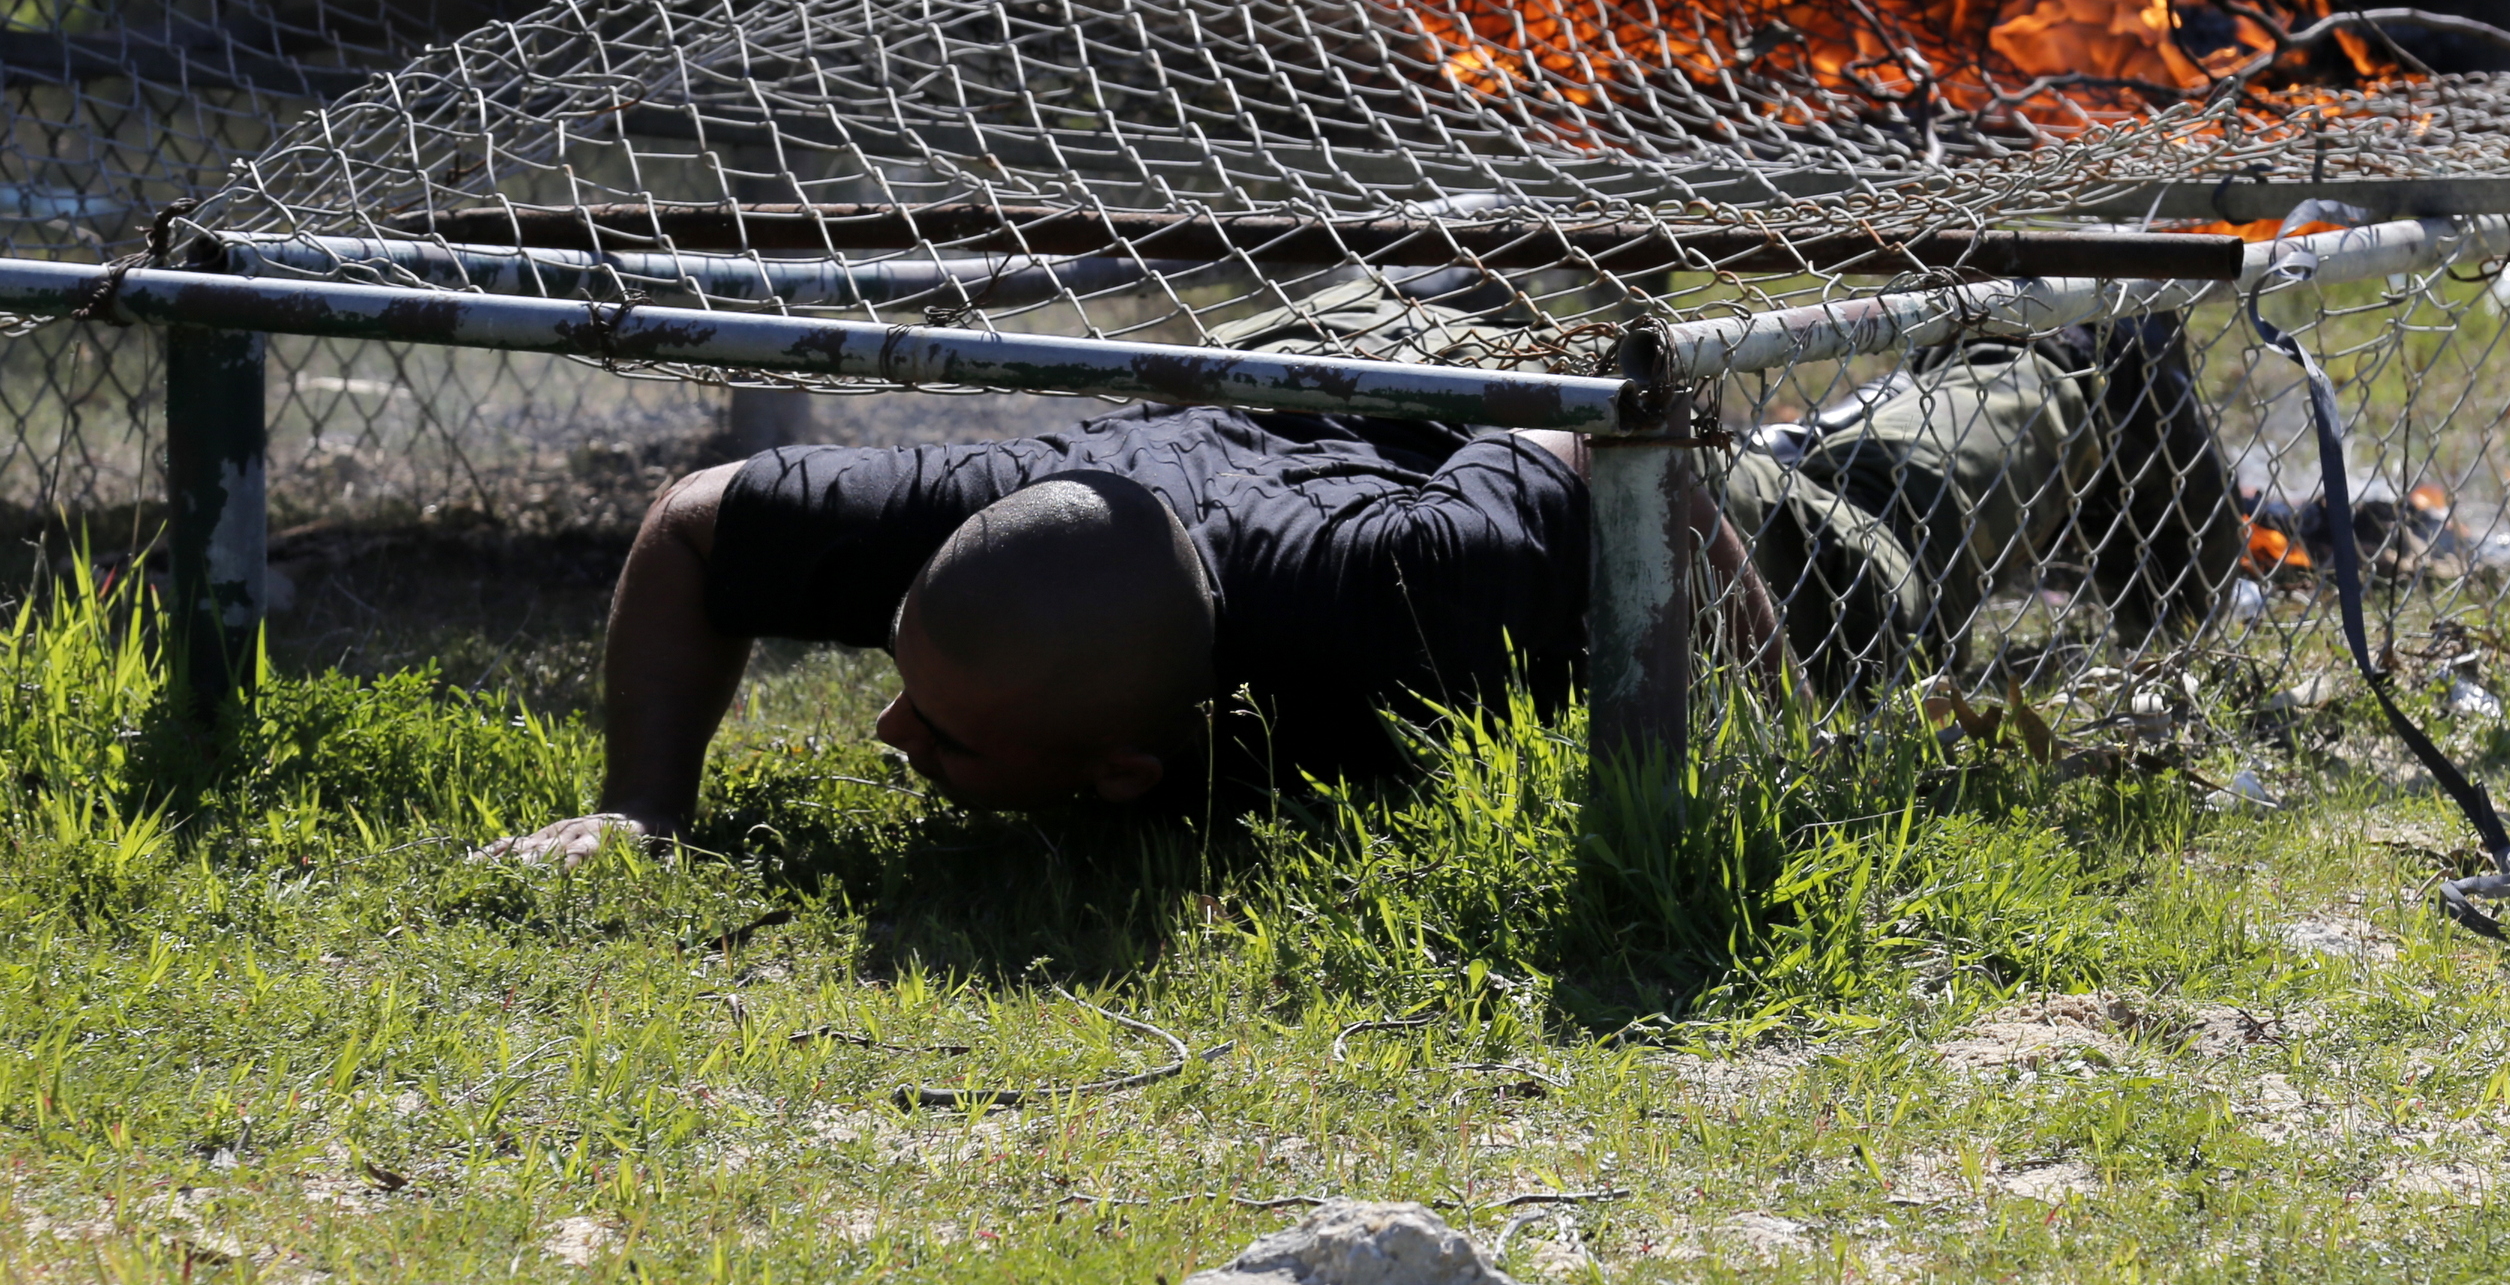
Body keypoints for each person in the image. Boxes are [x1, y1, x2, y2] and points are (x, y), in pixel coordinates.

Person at [482, 276, 2242, 860]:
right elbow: (696, 519)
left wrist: (1769, 714)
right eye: (909, 685)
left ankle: (2088, 365)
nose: (888, 734)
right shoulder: (992, 513)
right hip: (1329, 376)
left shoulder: (1410, 596)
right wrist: (645, 808)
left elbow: (1606, 438)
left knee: (1863, 526)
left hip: (1536, 467)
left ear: (1128, 768)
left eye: (941, 737)